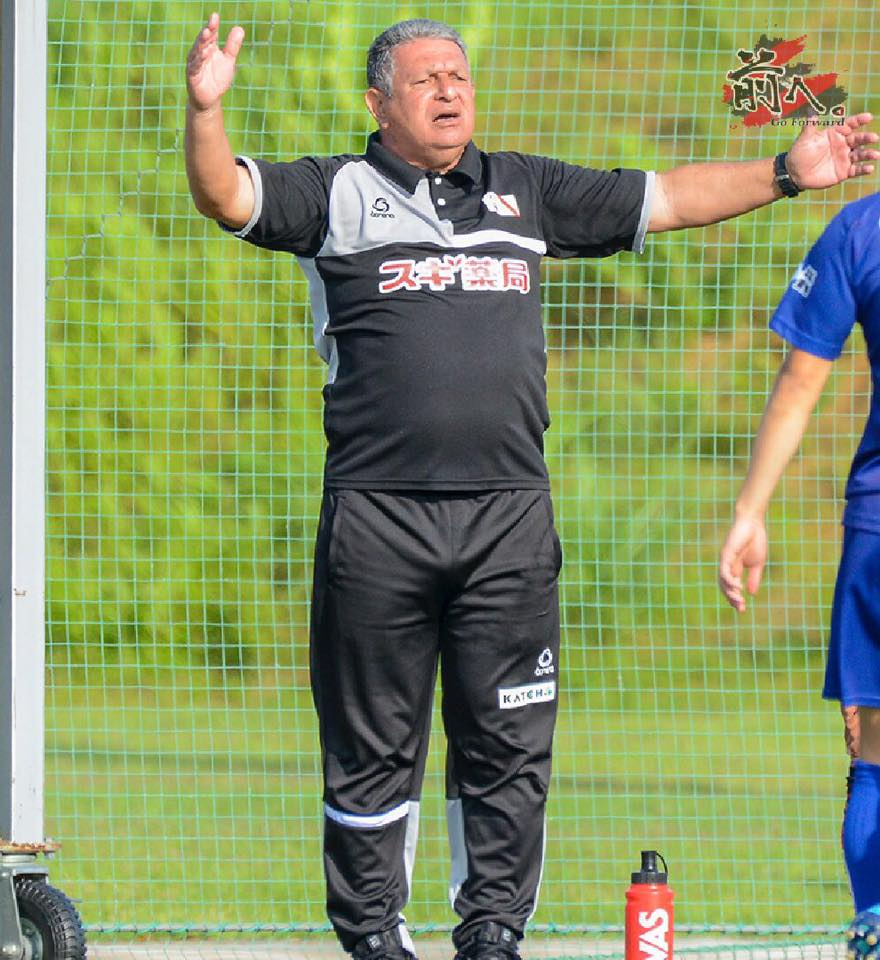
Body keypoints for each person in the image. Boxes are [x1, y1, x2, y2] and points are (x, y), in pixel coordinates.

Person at [185, 13, 878, 960]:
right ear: (377, 102)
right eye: (425, 78)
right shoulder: (335, 191)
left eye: (459, 75)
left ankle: (493, 934)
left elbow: (666, 197)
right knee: (373, 753)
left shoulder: (524, 189)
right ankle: (374, 937)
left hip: (508, 525)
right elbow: (226, 195)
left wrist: (789, 173)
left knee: (505, 753)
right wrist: (205, 111)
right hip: (379, 521)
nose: (449, 91)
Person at [717, 196, 880, 950]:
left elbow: (802, 376)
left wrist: (752, 507)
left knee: (877, 750)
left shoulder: (862, 227)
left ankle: (873, 928)